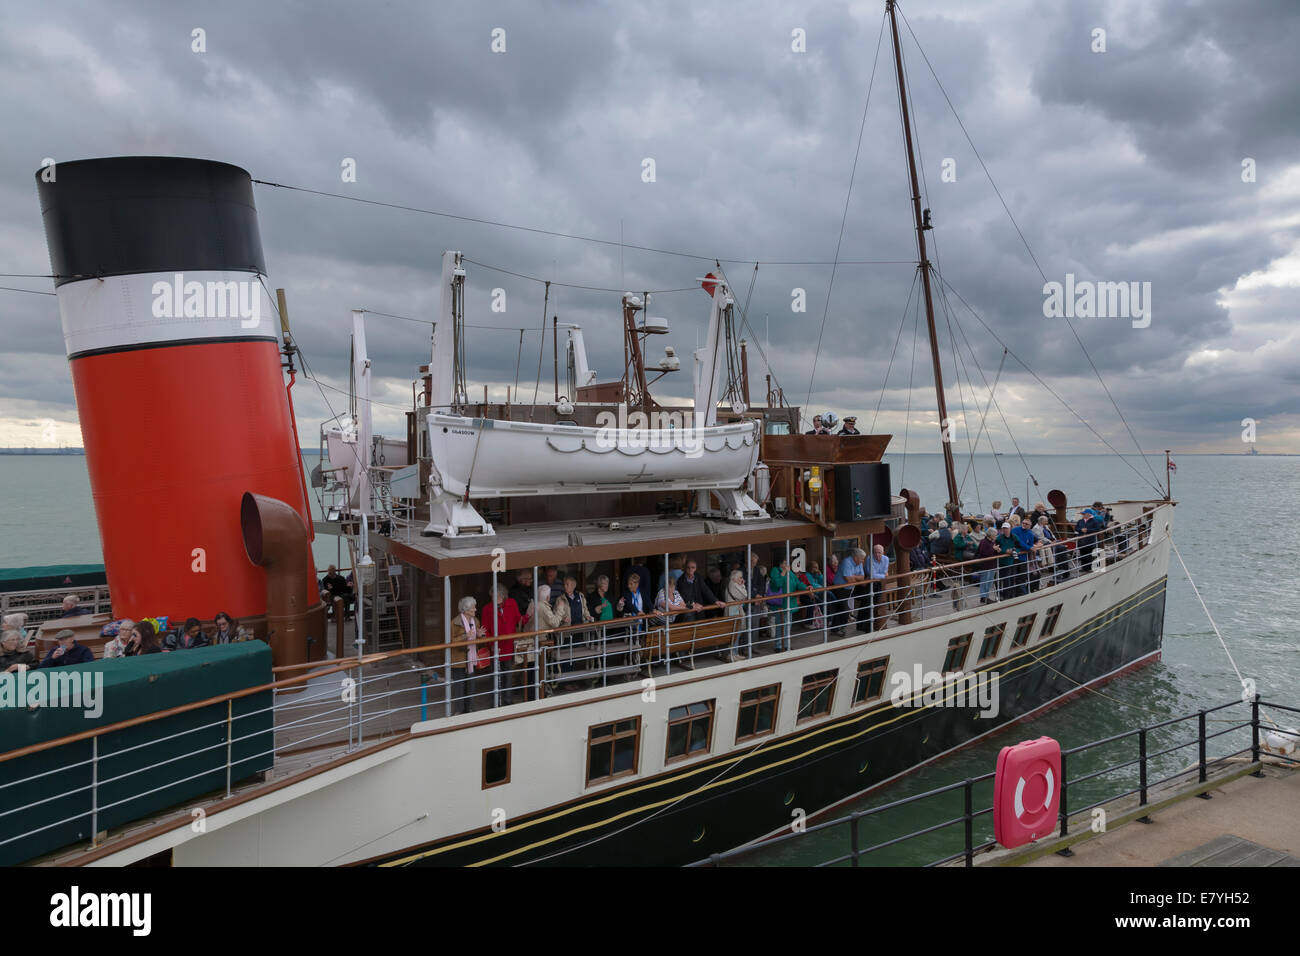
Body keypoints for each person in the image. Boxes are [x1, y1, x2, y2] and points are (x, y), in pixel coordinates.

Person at [481, 585, 530, 705]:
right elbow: (485, 629)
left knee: (508, 673)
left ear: (503, 595)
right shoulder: (487, 609)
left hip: (508, 645)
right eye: (492, 596)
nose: (494, 598)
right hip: (495, 647)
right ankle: (495, 701)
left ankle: (508, 700)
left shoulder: (511, 603)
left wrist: (528, 616)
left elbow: (518, 619)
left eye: (497, 596)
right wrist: (491, 642)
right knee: (495, 675)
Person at [449, 596, 488, 713]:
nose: (475, 610)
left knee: (471, 684)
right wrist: (466, 635)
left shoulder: (475, 621)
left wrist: (480, 635)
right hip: (459, 659)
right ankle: (459, 710)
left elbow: (476, 637)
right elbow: (451, 642)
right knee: (459, 686)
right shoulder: (454, 623)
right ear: (465, 610)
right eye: (473, 608)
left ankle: (469, 708)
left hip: (471, 657)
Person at [832, 548, 866, 635]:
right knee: (844, 608)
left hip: (849, 589)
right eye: (862, 558)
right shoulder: (846, 562)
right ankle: (838, 629)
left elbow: (862, 577)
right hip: (839, 588)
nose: (863, 561)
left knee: (841, 608)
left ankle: (837, 629)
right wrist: (855, 578)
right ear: (856, 558)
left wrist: (853, 577)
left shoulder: (859, 563)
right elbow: (849, 580)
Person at [767, 557, 798, 652]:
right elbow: (777, 583)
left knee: (788, 625)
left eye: (788, 563)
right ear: (780, 564)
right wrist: (784, 573)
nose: (787, 565)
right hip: (780, 603)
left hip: (789, 603)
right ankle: (779, 646)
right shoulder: (775, 571)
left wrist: (806, 588)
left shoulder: (790, 572)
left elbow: (797, 582)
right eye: (785, 563)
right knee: (781, 624)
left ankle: (786, 644)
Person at [863, 544, 890, 633]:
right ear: (872, 553)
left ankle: (875, 623)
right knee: (869, 603)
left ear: (883, 553)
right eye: (875, 552)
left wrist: (879, 576)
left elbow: (884, 573)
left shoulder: (886, 559)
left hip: (880, 584)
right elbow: (872, 575)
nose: (877, 555)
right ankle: (867, 626)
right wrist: (882, 576)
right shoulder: (869, 559)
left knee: (878, 602)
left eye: (879, 553)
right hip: (869, 584)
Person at [724, 569, 748, 662]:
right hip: (733, 611)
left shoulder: (735, 584)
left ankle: (735, 653)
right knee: (734, 633)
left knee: (737, 633)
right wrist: (743, 585)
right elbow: (744, 595)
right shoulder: (733, 584)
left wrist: (742, 585)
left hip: (735, 609)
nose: (742, 579)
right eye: (740, 578)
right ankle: (732, 654)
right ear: (735, 578)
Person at [1011, 518, 1038, 594]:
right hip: (1015, 557)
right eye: (1023, 523)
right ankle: (1017, 593)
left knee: (1022, 576)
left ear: (1030, 526)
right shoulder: (1015, 530)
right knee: (1014, 576)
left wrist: (1030, 547)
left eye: (1026, 524)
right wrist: (1029, 548)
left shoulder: (1030, 533)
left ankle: (1022, 592)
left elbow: (1031, 544)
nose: (1024, 525)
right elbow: (1018, 541)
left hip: (1023, 558)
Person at [995, 523, 1019, 600]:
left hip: (1011, 561)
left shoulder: (1014, 537)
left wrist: (1014, 550)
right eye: (1004, 528)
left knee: (1010, 579)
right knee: (1001, 580)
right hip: (1002, 562)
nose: (1005, 530)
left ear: (1010, 529)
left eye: (1006, 528)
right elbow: (996, 550)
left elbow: (1019, 546)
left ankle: (1009, 595)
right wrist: (1005, 551)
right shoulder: (999, 538)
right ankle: (1002, 595)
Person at [976, 528, 999, 604]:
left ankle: (986, 596)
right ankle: (983, 597)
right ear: (991, 535)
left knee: (989, 582)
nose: (996, 536)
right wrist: (993, 549)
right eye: (995, 535)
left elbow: (992, 553)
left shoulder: (992, 542)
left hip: (991, 565)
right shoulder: (984, 542)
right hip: (985, 565)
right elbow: (984, 553)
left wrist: (997, 550)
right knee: (985, 581)